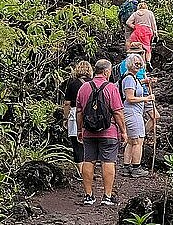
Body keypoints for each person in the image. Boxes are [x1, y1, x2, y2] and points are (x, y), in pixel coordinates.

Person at [76, 59, 128, 206]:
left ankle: (88, 195)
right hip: (109, 131)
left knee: (88, 160)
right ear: (106, 72)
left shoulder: (84, 88)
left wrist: (80, 130)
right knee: (108, 162)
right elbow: (117, 112)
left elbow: (79, 112)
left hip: (89, 131)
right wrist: (123, 131)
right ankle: (107, 196)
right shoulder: (111, 88)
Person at [120, 54, 155, 177]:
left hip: (133, 112)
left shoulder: (132, 78)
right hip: (132, 112)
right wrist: (146, 98)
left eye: (140, 63)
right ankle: (136, 167)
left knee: (131, 141)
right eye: (136, 63)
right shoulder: (129, 78)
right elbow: (129, 98)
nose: (138, 65)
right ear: (129, 64)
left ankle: (126, 166)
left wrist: (145, 82)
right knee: (138, 141)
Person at [118, 42, 160, 136]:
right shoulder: (127, 64)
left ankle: (141, 135)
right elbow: (127, 82)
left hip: (143, 92)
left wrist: (147, 81)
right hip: (136, 95)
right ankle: (136, 136)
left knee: (155, 117)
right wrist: (143, 83)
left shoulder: (139, 63)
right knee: (147, 117)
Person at [63, 61, 93, 180]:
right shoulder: (92, 83)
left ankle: (80, 171)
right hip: (90, 114)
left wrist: (65, 118)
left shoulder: (72, 83)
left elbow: (67, 103)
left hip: (75, 113)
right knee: (90, 143)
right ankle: (89, 169)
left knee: (76, 143)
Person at [126, 2, 158, 69]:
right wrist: (155, 33)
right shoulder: (150, 13)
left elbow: (128, 22)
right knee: (147, 48)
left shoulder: (135, 13)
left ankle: (133, 60)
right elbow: (153, 24)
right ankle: (148, 61)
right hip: (147, 31)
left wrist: (134, 27)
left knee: (136, 46)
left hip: (138, 30)